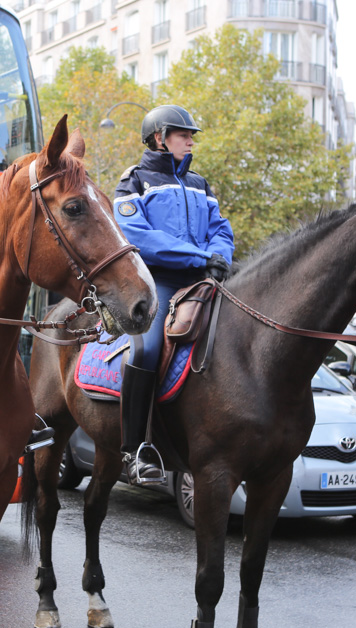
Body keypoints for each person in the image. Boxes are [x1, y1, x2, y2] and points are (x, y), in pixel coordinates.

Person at [113, 104, 234, 483]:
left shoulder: (200, 184)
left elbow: (222, 229)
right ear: (159, 138)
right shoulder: (134, 181)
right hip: (159, 281)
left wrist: (219, 256)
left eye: (191, 135)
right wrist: (200, 255)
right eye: (184, 134)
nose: (191, 140)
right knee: (146, 349)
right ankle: (133, 452)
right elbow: (138, 236)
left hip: (205, 280)